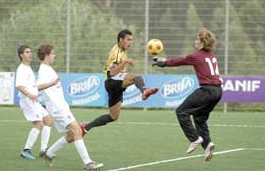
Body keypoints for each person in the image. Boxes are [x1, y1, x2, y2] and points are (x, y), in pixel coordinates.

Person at [152, 28, 222, 161]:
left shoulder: (196, 56)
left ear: (202, 42)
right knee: (200, 117)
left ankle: (195, 139)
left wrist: (163, 63)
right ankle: (207, 144)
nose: (195, 42)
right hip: (218, 91)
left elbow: (179, 61)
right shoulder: (211, 55)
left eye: (197, 39)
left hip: (207, 91)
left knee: (181, 111)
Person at [37, 45, 103, 170]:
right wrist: (52, 82)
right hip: (57, 108)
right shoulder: (43, 70)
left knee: (72, 135)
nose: (54, 55)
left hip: (61, 107)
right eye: (52, 53)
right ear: (46, 55)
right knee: (77, 131)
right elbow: (38, 86)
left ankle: (49, 153)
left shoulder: (48, 68)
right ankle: (88, 163)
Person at [81, 29, 158, 133]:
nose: (130, 42)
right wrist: (125, 62)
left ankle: (86, 127)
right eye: (128, 39)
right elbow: (112, 72)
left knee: (113, 116)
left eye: (131, 40)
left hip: (113, 83)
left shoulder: (122, 50)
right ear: (121, 40)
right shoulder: (117, 52)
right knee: (137, 77)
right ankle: (144, 91)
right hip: (112, 81)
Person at [16, 45, 57, 159]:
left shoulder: (28, 68)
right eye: (27, 52)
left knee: (48, 121)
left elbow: (34, 87)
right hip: (28, 100)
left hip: (33, 100)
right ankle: (26, 150)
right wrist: (30, 95)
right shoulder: (22, 69)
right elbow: (19, 86)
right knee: (38, 124)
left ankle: (43, 149)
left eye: (30, 52)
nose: (30, 54)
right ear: (21, 55)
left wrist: (51, 83)